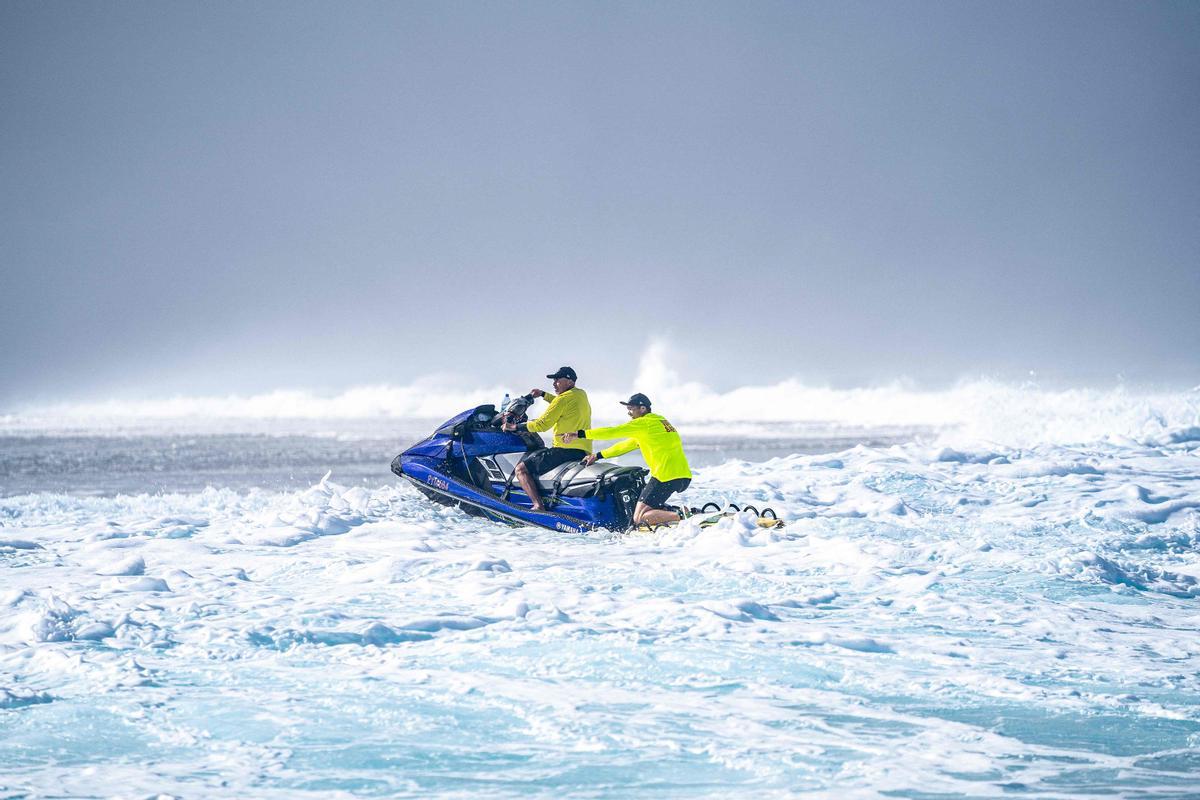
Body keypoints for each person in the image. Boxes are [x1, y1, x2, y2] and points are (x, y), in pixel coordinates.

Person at [561, 393, 691, 527]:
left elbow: (613, 431)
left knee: (639, 518)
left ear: (642, 409)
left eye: (631, 409)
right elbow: (626, 445)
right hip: (683, 475)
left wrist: (580, 434)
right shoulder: (660, 421)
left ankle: (681, 515)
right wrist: (598, 455)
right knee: (649, 508)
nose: (629, 413)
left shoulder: (643, 423)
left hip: (665, 477)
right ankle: (681, 514)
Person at [502, 366, 592, 512]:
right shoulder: (581, 394)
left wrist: (515, 427)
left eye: (557, 380)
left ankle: (538, 506)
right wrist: (543, 394)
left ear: (569, 381)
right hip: (583, 451)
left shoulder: (562, 400)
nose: (554, 383)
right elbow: (561, 403)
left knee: (521, 469)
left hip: (565, 450)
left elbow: (542, 425)